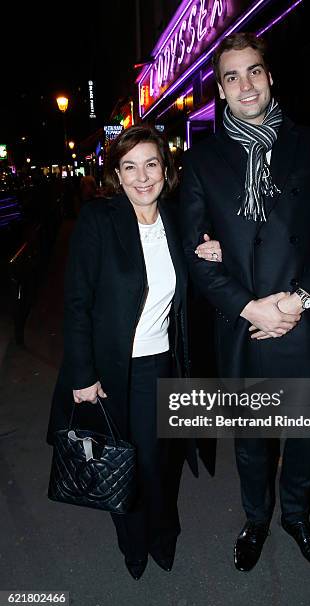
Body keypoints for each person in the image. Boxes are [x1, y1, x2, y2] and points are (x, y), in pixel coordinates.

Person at [181, 33, 310, 572]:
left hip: (304, 320)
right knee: (252, 439)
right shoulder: (204, 161)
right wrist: (248, 307)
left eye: (254, 71)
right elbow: (194, 251)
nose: (245, 84)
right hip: (243, 326)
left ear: (269, 76)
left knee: (306, 435)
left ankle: (296, 517)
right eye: (232, 77)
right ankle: (256, 520)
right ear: (221, 90)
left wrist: (299, 300)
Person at [47, 124, 221, 580]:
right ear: (116, 176)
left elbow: (193, 290)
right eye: (130, 167)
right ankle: (134, 544)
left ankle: (163, 534)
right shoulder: (99, 220)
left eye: (151, 164)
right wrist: (83, 374)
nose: (142, 177)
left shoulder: (178, 219)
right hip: (112, 370)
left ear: (166, 169)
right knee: (123, 459)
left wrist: (212, 253)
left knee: (161, 461)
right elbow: (77, 302)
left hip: (165, 364)